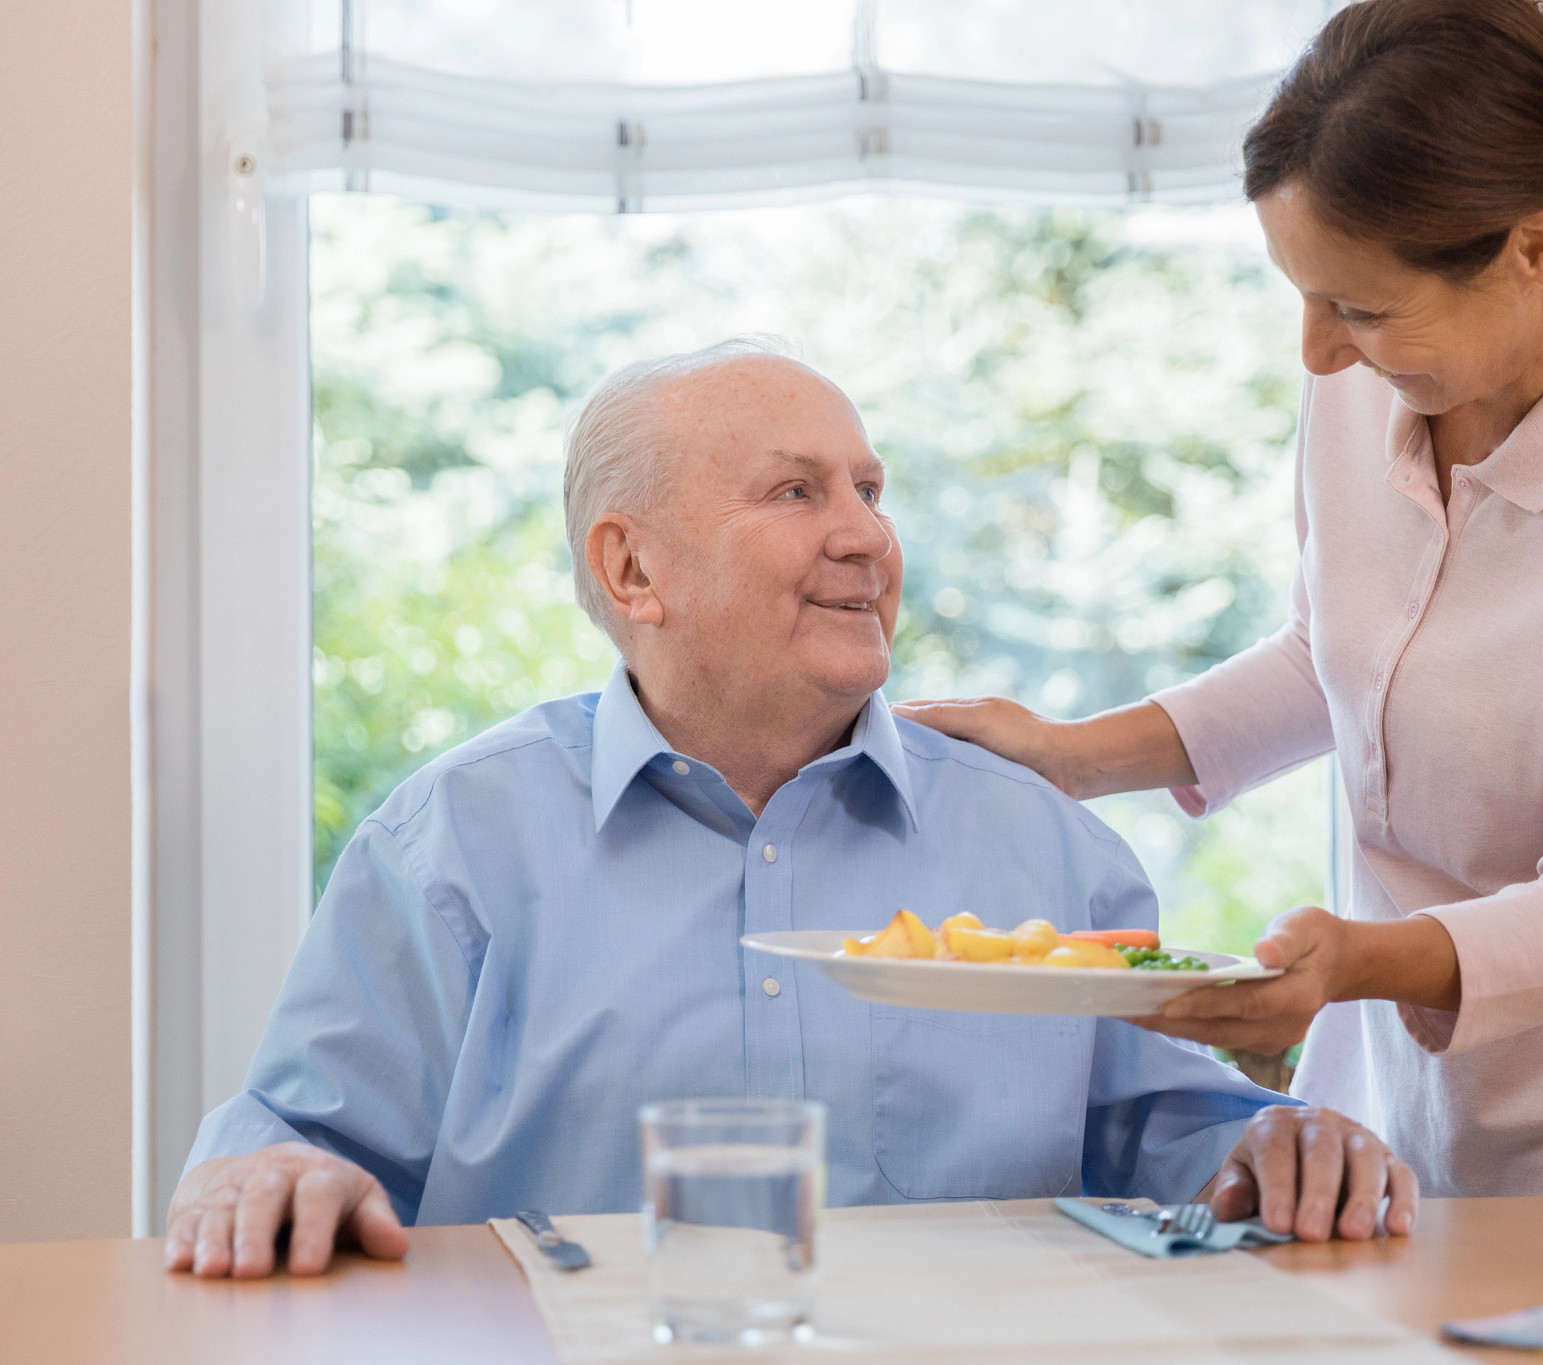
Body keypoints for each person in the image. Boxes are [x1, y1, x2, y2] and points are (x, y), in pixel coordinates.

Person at [165, 343, 1414, 1280]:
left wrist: (1276, 1143)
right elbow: (297, 1136)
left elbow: (1169, 1127)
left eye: (870, 489)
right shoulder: (454, 846)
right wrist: (267, 1169)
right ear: (631, 568)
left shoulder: (1039, 837)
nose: (867, 535)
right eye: (796, 494)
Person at [899, 0, 1543, 1198]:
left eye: (1361, 309)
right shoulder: (1373, 375)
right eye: (1305, 292)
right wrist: (1071, 756)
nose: (1316, 352)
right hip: (1385, 1091)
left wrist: (1348, 961)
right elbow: (1332, 654)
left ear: (1534, 248)